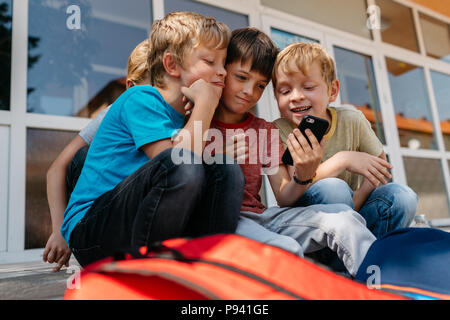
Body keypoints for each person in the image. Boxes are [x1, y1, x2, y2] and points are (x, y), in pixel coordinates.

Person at [59, 11, 244, 268]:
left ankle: (208, 266)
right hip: (90, 230)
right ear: (171, 65)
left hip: (137, 223)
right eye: (210, 61)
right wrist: (207, 102)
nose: (222, 72)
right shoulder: (142, 98)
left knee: (226, 169)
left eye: (223, 63)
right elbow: (180, 162)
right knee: (181, 163)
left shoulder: (188, 119)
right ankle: (151, 274)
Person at [205, 27, 376, 277]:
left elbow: (284, 195)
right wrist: (215, 157)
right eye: (241, 77)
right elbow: (177, 170)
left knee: (345, 221)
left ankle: (381, 287)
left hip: (262, 217)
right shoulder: (198, 118)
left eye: (260, 85)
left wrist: (304, 175)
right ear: (223, 72)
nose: (249, 92)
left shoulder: (264, 130)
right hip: (222, 218)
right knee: (287, 249)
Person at [272, 42, 417, 239]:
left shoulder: (351, 118)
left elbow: (380, 168)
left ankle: (373, 254)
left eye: (307, 87)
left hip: (354, 210)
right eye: (285, 91)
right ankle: (339, 263)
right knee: (334, 188)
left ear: (332, 90)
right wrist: (343, 160)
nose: (296, 96)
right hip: (312, 224)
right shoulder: (279, 130)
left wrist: (356, 200)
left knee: (402, 196)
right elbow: (293, 189)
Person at [44, 39, 151, 272]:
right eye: (153, 90)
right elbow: (56, 169)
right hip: (103, 213)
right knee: (82, 156)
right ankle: (87, 230)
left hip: (140, 205)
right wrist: (59, 230)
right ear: (131, 87)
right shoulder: (113, 113)